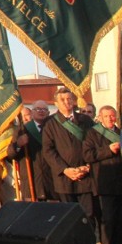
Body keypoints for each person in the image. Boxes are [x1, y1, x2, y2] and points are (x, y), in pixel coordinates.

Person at [82, 105, 122, 244]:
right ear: (100, 118)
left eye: (113, 116)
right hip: (106, 184)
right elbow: (87, 155)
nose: (111, 119)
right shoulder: (92, 133)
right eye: (107, 116)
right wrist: (108, 150)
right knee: (109, 220)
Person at [41, 87, 95, 228]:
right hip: (64, 179)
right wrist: (65, 170)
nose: (66, 102)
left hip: (85, 175)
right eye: (62, 100)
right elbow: (48, 150)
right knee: (69, 217)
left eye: (69, 99)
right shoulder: (49, 123)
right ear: (56, 103)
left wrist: (88, 166)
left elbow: (94, 143)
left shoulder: (85, 121)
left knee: (88, 215)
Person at [7, 99, 54, 201]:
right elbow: (10, 154)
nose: (41, 111)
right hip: (31, 180)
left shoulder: (54, 129)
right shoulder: (23, 130)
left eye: (44, 109)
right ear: (32, 113)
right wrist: (18, 144)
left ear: (48, 113)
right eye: (37, 109)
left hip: (51, 181)